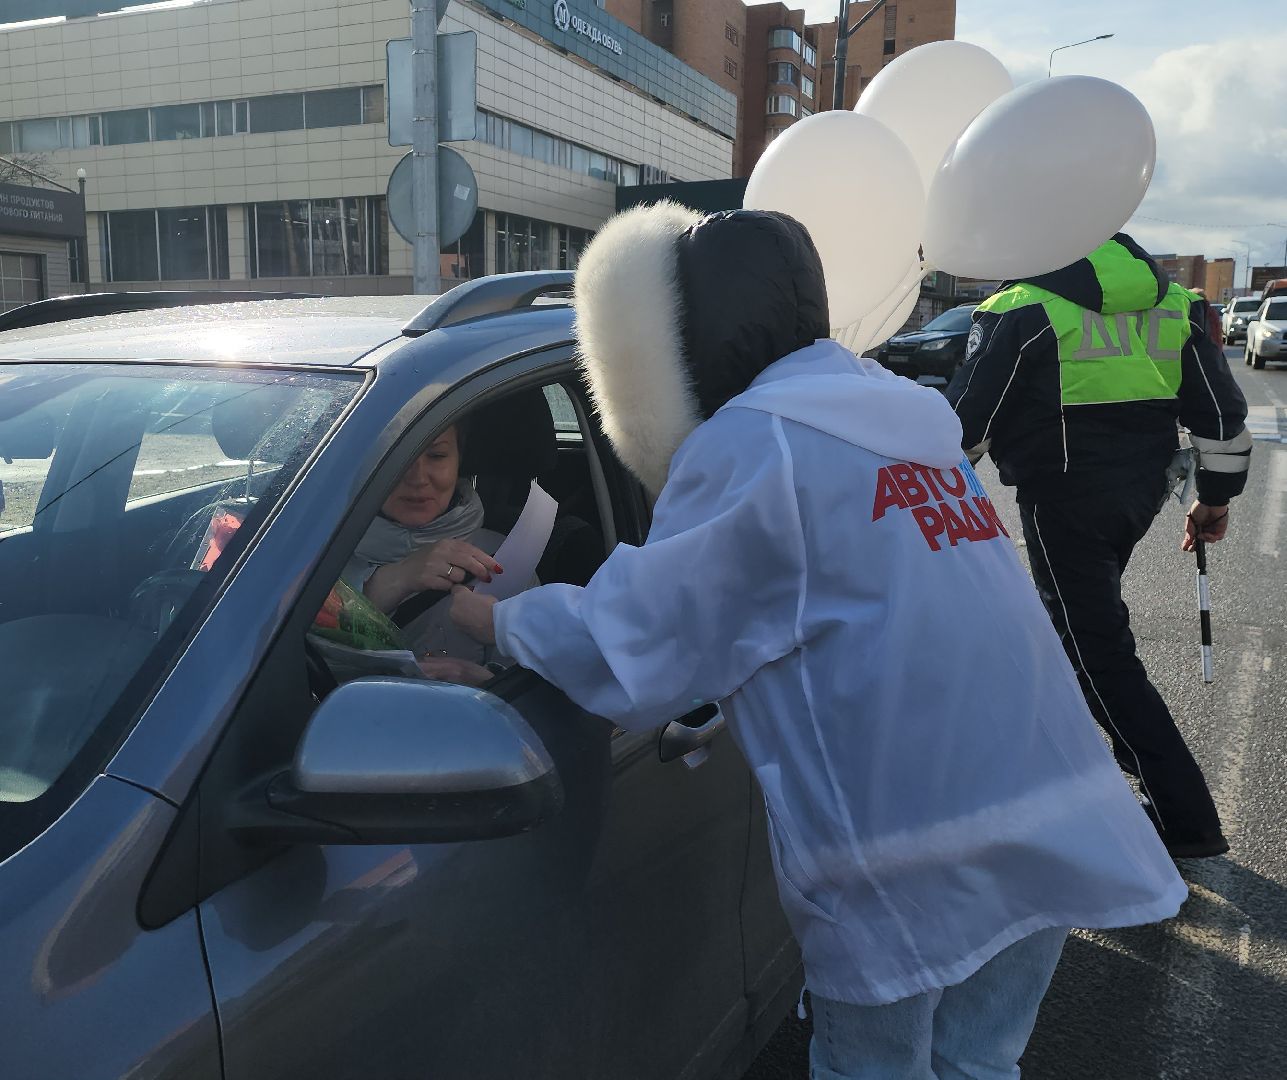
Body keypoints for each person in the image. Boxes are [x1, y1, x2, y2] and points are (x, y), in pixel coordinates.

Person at [449, 204, 1186, 1078]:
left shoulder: (756, 443)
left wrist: (498, 619)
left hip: (911, 846)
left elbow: (645, 642)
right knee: (977, 1064)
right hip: (1045, 806)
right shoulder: (897, 420)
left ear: (674, 340)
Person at [946, 233, 1252, 860]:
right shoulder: (1177, 303)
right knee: (1078, 637)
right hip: (1139, 494)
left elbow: (963, 427)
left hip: (1062, 497)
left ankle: (1185, 816)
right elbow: (1219, 417)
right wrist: (1215, 499)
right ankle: (1073, 780)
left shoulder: (1021, 307)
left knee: (1093, 652)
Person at [341, 423, 504, 687]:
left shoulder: (505, 556)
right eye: (396, 455)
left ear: (459, 461)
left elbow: (539, 697)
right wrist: (391, 581)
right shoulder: (318, 554)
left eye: (436, 456)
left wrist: (487, 684)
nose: (417, 478)